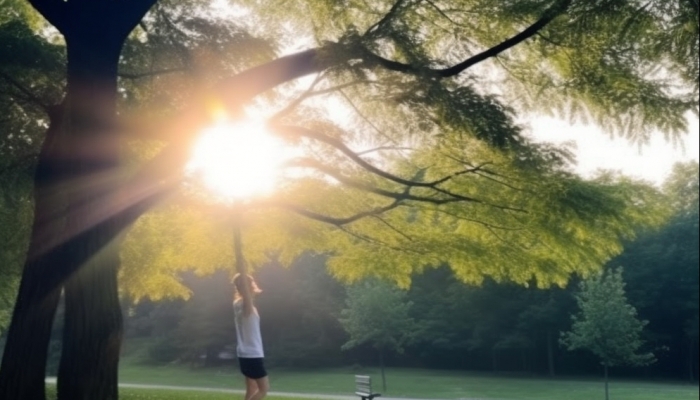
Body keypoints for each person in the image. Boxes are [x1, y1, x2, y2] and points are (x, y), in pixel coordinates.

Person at [232, 273, 269, 400]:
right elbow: (247, 294)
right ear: (249, 287)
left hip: (243, 354)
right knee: (264, 389)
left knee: (252, 389)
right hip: (253, 354)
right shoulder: (246, 306)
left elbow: (245, 294)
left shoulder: (237, 304)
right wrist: (242, 268)